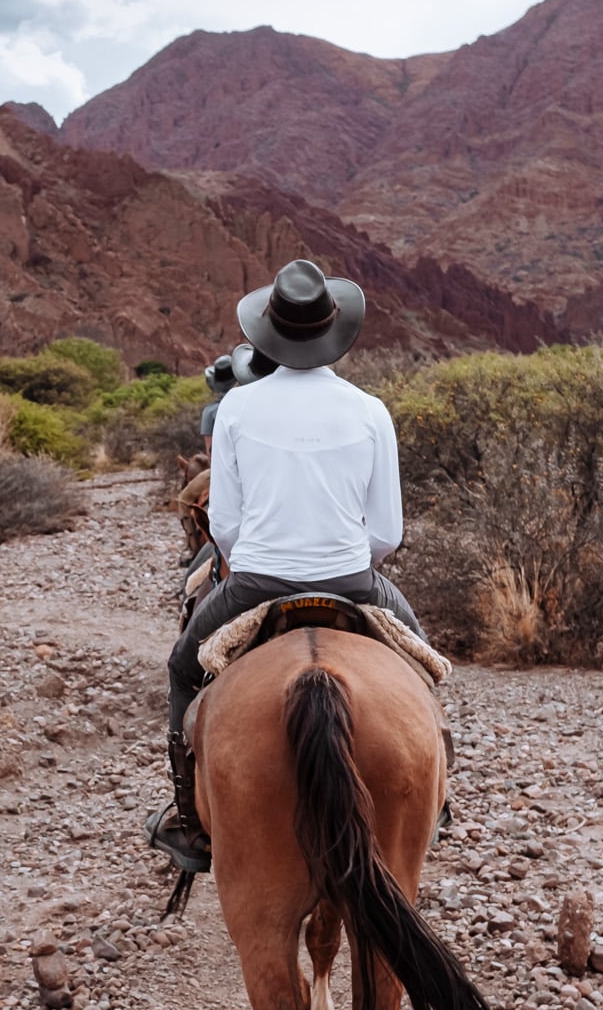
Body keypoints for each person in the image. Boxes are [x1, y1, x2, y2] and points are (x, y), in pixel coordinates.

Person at [147, 259, 426, 873]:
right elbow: (387, 532)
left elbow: (223, 527)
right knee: (422, 665)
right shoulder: (371, 410)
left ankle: (187, 817)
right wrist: (346, 562)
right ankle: (434, 790)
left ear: (267, 332)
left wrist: (263, 558)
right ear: (334, 332)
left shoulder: (239, 411)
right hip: (355, 581)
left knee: (181, 669)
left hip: (254, 582)